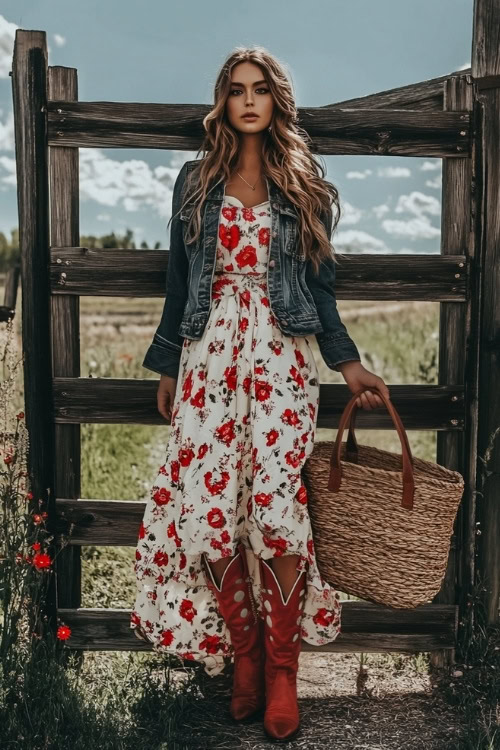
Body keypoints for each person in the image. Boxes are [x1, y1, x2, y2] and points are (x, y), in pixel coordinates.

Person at [131, 45, 390, 742]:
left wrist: (349, 363)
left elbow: (320, 286)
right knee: (209, 506)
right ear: (225, 100)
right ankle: (244, 658)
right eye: (237, 89)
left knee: (279, 508)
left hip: (283, 357)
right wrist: (167, 366)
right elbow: (179, 283)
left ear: (276, 100)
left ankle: (282, 671)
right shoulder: (196, 180)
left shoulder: (300, 180)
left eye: (260, 89)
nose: (248, 100)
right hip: (209, 356)